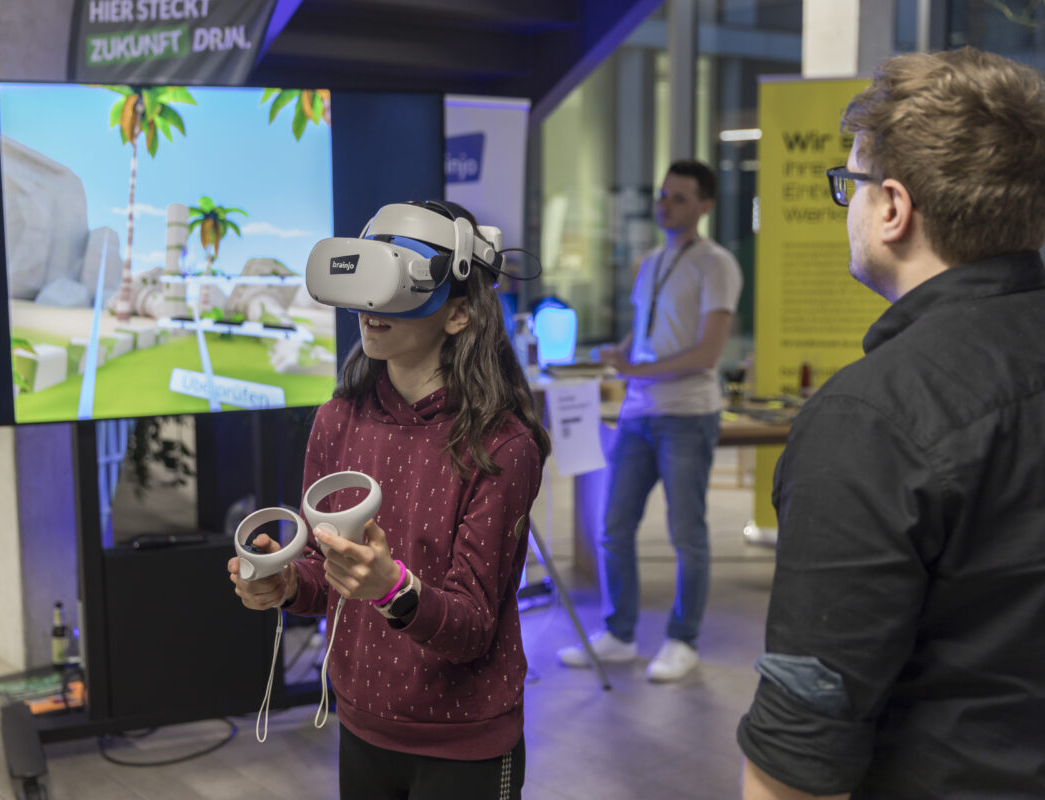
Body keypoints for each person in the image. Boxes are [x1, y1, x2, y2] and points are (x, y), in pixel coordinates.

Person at [738, 48, 1045, 798]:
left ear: (894, 209)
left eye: (850, 184)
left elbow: (798, 757)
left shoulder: (871, 420)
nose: (849, 204)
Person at [229, 200, 549, 800]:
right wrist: (286, 584)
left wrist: (392, 589)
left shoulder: (501, 446)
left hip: (465, 741)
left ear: (458, 315)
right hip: (364, 724)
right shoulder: (337, 421)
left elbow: (475, 628)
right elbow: (326, 577)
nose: (369, 312)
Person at [558, 160, 742, 682]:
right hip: (638, 414)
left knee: (687, 534)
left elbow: (706, 352)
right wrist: (614, 354)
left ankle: (683, 641)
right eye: (663, 195)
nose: (666, 205)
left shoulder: (717, 264)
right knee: (613, 529)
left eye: (680, 198)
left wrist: (637, 367)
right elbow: (647, 338)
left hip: (687, 415)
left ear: (705, 206)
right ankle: (619, 633)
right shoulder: (651, 263)